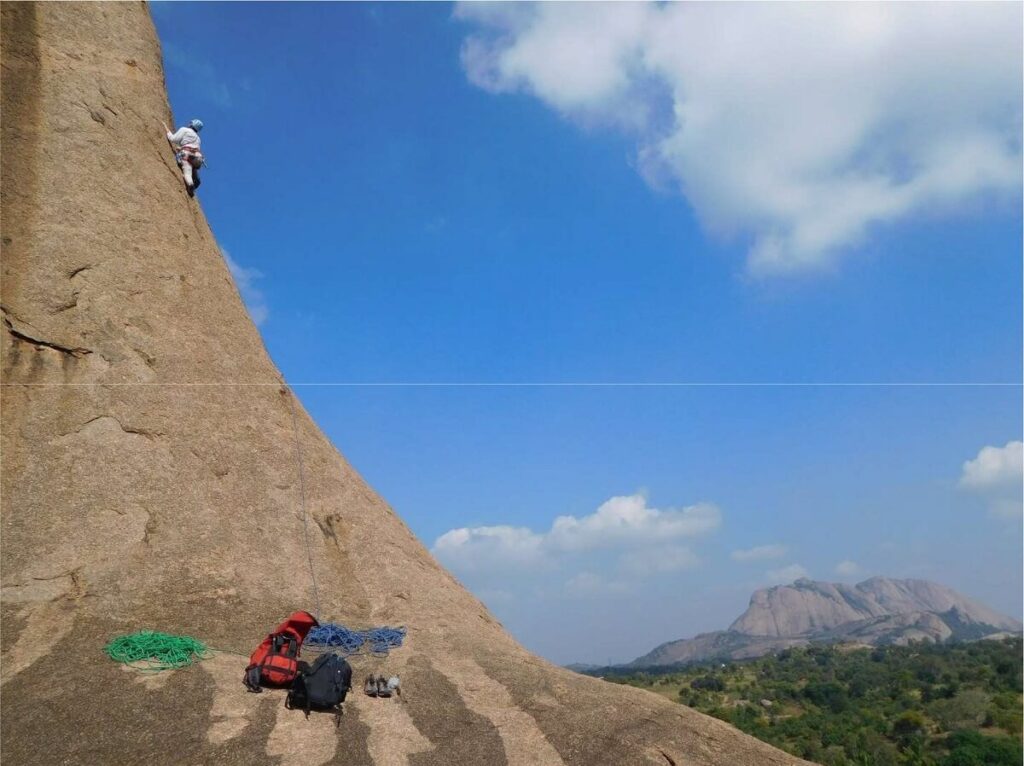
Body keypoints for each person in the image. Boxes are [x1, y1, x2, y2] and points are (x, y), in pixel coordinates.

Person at [163, 118, 205, 196]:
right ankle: (196, 180)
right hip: (197, 158)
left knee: (187, 172)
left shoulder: (185, 130)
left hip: (186, 154)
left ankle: (190, 184)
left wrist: (167, 130)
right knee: (193, 169)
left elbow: (173, 139)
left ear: (192, 124)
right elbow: (192, 146)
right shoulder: (198, 139)